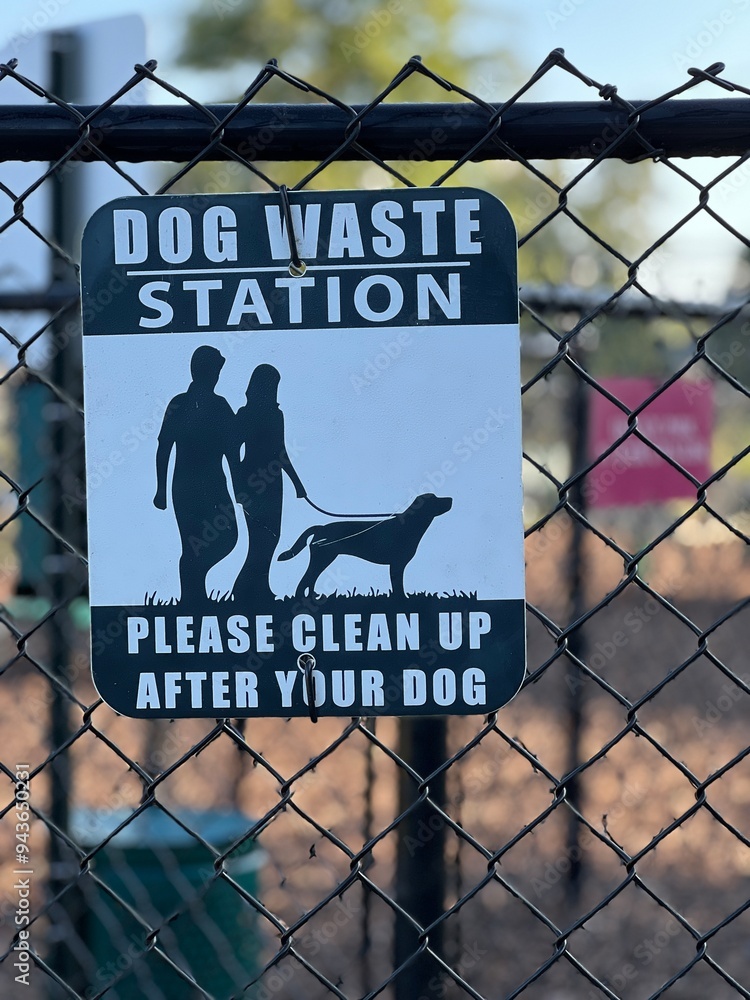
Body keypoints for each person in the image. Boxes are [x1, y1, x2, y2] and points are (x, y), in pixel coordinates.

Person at [153, 345, 239, 603]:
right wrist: (160, 490)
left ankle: (194, 589)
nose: (217, 375)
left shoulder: (221, 406)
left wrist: (241, 490)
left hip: (214, 486)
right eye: (215, 370)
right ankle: (193, 599)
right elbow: (164, 447)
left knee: (227, 536)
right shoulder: (179, 404)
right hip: (186, 488)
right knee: (192, 545)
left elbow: (232, 452)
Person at [233, 364, 306, 601]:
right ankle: (243, 590)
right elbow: (233, 451)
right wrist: (238, 486)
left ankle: (260, 587)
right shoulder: (245, 414)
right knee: (259, 539)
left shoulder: (276, 415)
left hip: (274, 482)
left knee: (272, 537)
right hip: (253, 481)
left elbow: (281, 451)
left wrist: (297, 483)